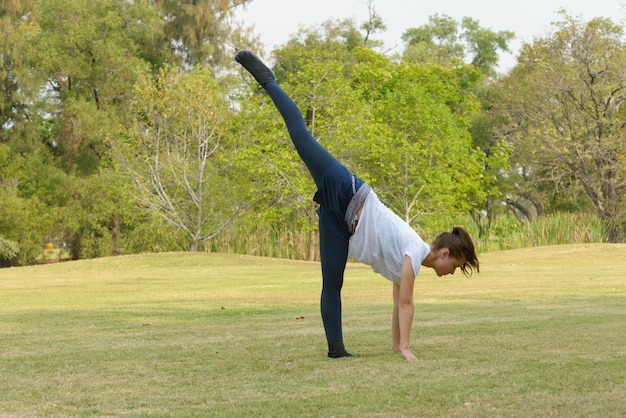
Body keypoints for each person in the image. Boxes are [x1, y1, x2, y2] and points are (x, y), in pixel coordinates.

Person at [235, 50, 479, 361]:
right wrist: (406, 349)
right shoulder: (414, 251)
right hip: (347, 191)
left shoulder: (408, 266)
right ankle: (267, 80)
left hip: (341, 223)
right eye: (455, 267)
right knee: (300, 136)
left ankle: (336, 350)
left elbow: (397, 302)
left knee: (332, 282)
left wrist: (395, 344)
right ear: (445, 254)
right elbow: (407, 304)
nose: (451, 273)